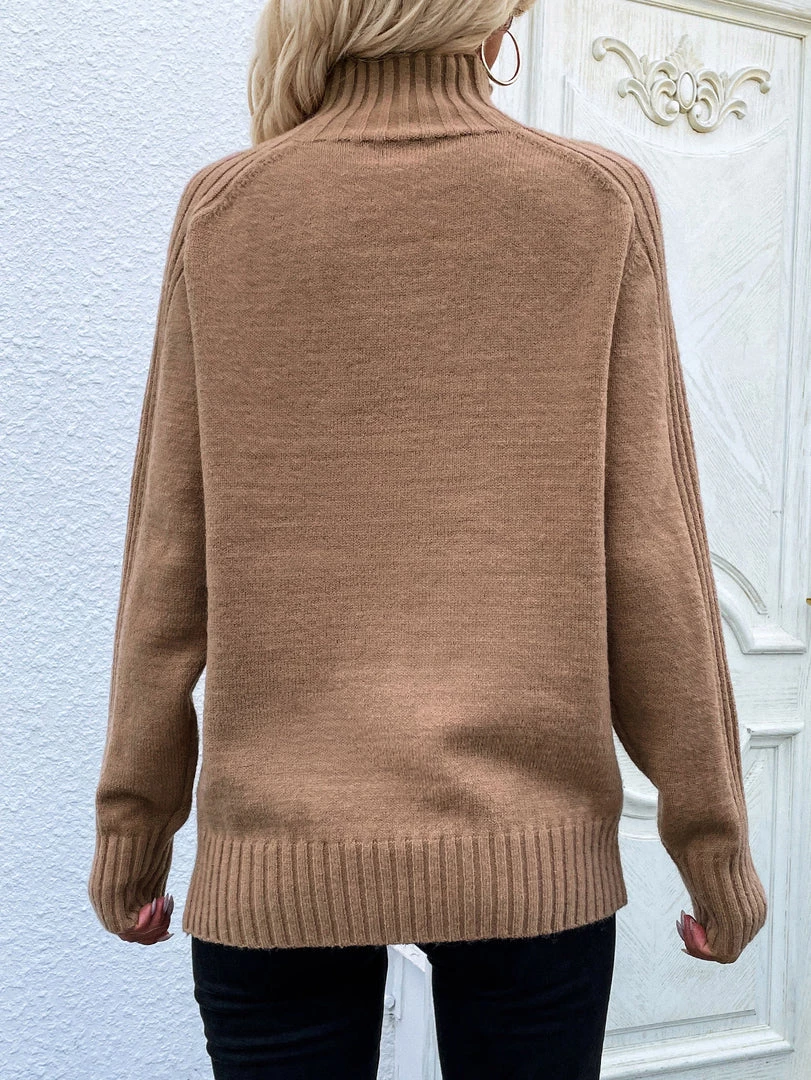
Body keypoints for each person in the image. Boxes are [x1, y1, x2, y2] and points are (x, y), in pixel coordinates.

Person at [87, 1, 769, 1076]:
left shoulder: (226, 211)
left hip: (278, 858)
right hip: (530, 859)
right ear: (490, 17)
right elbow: (653, 558)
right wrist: (713, 845)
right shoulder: (592, 201)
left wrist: (135, 826)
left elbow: (168, 562)